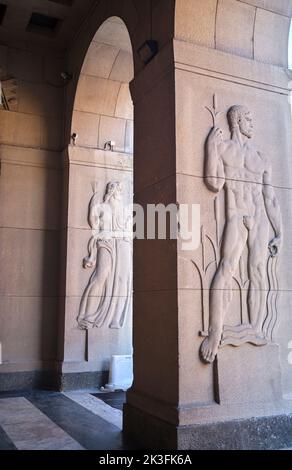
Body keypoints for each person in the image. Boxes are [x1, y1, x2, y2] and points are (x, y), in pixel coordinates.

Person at [200, 105, 282, 364]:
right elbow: (214, 182)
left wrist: (279, 232)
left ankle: (256, 328)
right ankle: (215, 332)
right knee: (225, 268)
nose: (252, 123)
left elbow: (271, 198)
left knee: (257, 270)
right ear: (236, 120)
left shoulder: (261, 157)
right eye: (248, 118)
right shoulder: (224, 149)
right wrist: (210, 148)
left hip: (259, 220)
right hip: (236, 215)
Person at [77, 181, 132, 330]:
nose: (119, 193)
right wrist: (93, 197)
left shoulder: (126, 210)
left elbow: (130, 229)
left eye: (121, 190)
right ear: (111, 191)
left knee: (122, 281)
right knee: (101, 276)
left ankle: (115, 320)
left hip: (123, 244)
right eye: (117, 190)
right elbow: (93, 222)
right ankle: (87, 315)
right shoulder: (102, 207)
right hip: (106, 243)